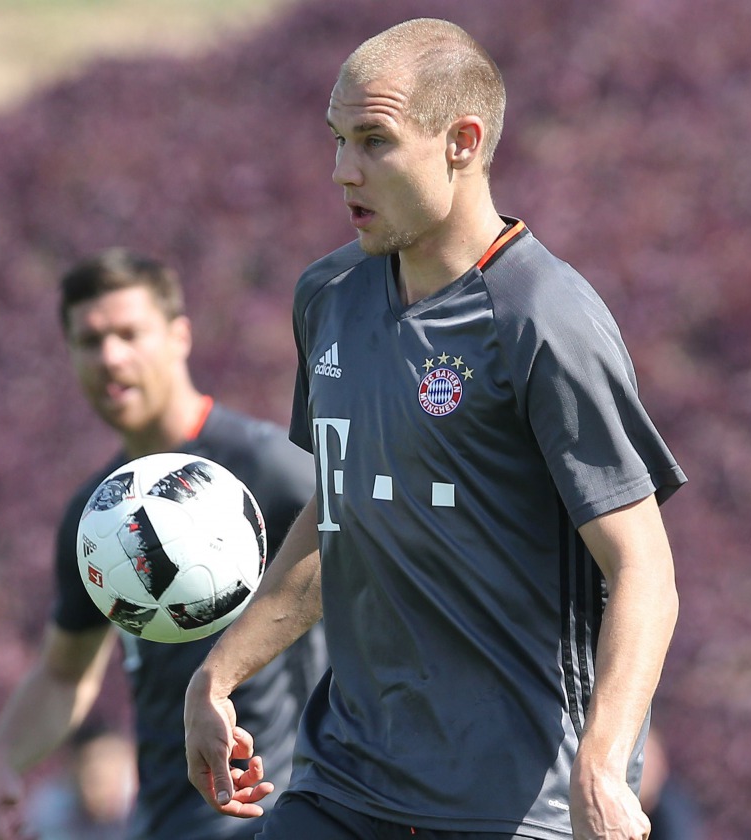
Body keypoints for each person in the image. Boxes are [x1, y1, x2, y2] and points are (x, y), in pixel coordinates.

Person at [184, 17, 685, 840]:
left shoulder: (544, 319)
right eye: (338, 139)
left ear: (462, 141)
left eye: (374, 141)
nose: (343, 170)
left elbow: (645, 570)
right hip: (346, 781)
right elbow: (337, 517)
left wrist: (602, 761)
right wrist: (218, 676)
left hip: (517, 806)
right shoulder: (329, 297)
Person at [0, 248, 326, 840]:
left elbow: (383, 582)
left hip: (274, 814)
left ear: (179, 336)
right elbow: (64, 675)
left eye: (130, 333)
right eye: (90, 340)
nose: (111, 357)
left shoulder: (270, 471)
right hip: (163, 823)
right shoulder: (95, 515)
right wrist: (1, 758)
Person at [26, 718, 137, 840]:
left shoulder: (143, 808)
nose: (110, 787)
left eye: (117, 773)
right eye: (97, 778)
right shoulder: (50, 811)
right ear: (74, 770)